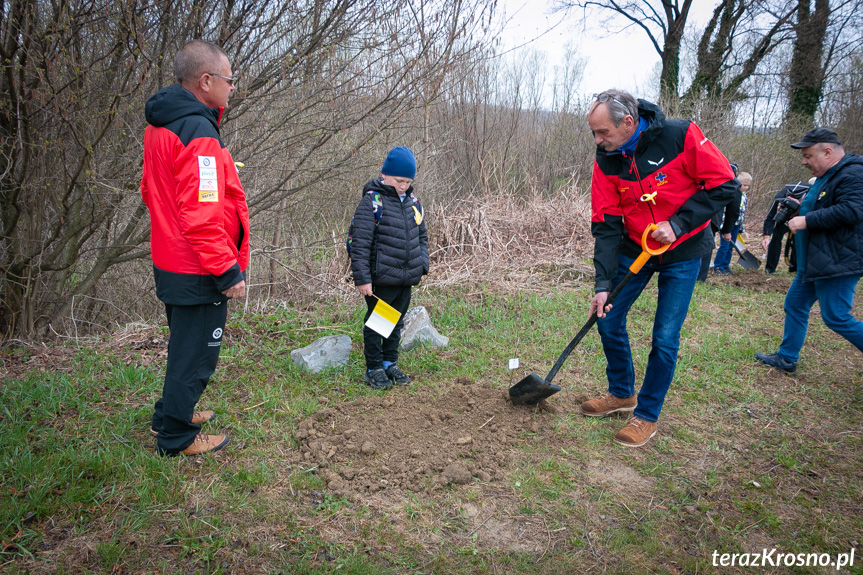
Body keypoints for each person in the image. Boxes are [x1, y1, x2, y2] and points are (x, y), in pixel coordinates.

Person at [581, 90, 737, 447]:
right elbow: (605, 223)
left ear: (628, 122)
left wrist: (679, 224)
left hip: (683, 250)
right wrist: (603, 282)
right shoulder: (606, 158)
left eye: (602, 132)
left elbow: (724, 182)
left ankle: (647, 415)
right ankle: (622, 393)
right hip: (636, 247)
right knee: (608, 316)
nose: (597, 140)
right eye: (593, 133)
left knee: (665, 338)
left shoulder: (680, 135)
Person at [141, 40, 248, 456]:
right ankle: (176, 435)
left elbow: (152, 190)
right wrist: (226, 271)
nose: (233, 88)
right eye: (229, 80)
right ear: (205, 82)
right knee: (198, 355)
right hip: (197, 267)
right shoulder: (197, 132)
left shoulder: (162, 123)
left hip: (170, 257)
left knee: (184, 345)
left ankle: (169, 413)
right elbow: (202, 216)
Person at [756, 128, 863, 374]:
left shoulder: (854, 173)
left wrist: (807, 221)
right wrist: (798, 211)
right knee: (795, 304)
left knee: (836, 316)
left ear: (827, 152)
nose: (804, 162)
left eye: (807, 156)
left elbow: (853, 210)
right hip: (814, 261)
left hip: (837, 261)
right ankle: (786, 359)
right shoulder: (829, 175)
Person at [348, 147, 429, 390]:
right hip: (381, 278)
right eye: (398, 180)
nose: (403, 186)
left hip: (406, 278)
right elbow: (358, 242)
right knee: (378, 323)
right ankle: (373, 368)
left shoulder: (414, 203)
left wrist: (422, 264)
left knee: (396, 321)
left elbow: (422, 236)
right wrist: (363, 279)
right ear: (384, 176)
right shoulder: (373, 202)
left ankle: (389, 362)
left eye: (407, 181)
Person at [697, 165, 742, 281]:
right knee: (705, 246)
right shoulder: (732, 184)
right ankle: (699, 277)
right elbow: (733, 210)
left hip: (690, 214)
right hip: (708, 219)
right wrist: (727, 230)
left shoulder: (704, 176)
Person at [760, 180, 812, 274]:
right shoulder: (779, 198)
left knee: (798, 240)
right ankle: (770, 269)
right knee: (775, 238)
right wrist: (767, 236)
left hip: (802, 217)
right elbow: (770, 217)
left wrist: (798, 212)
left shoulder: (810, 197)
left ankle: (795, 269)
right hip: (784, 219)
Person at [713, 171, 751, 275]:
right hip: (727, 225)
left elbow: (742, 213)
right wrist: (723, 228)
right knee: (724, 246)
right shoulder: (731, 194)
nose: (746, 187)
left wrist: (741, 228)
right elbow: (726, 212)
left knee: (731, 247)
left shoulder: (744, 196)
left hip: (737, 225)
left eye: (748, 186)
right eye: (744, 185)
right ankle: (718, 267)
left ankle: (726, 266)